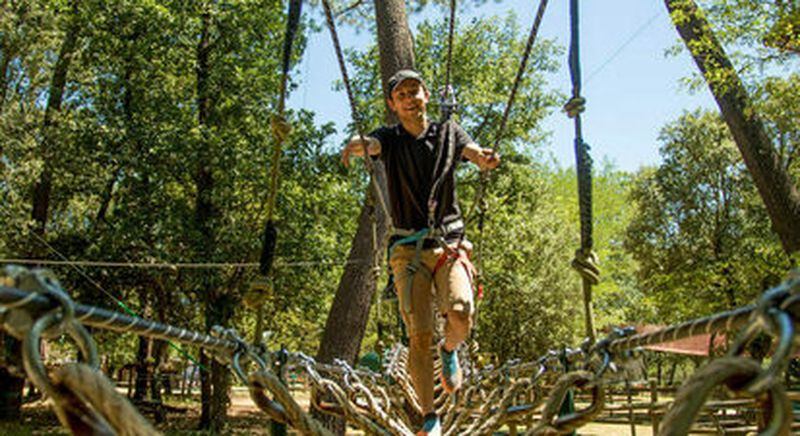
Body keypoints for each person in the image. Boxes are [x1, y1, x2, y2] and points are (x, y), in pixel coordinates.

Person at [342, 69, 500, 436]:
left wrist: (484, 158)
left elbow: (473, 152)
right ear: (392, 105)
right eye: (402, 95)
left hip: (449, 243)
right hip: (407, 249)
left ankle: (450, 350)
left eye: (415, 91)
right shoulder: (389, 138)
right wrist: (355, 144)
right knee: (419, 334)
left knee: (460, 311)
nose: (410, 98)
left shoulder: (448, 132)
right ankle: (430, 416)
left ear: (426, 95)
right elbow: (369, 143)